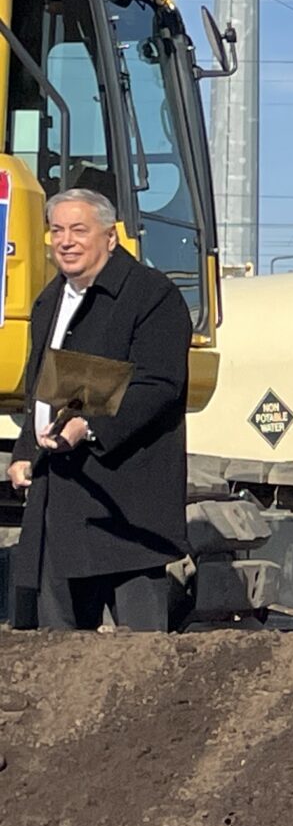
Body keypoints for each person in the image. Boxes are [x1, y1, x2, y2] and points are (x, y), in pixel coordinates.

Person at [8, 190, 189, 630]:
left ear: (110, 238)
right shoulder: (50, 301)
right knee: (58, 653)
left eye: (78, 230)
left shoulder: (152, 296)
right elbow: (42, 390)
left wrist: (89, 427)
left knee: (138, 655)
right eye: (57, 230)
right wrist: (24, 452)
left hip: (124, 507)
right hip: (60, 503)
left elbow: (158, 384)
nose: (65, 241)